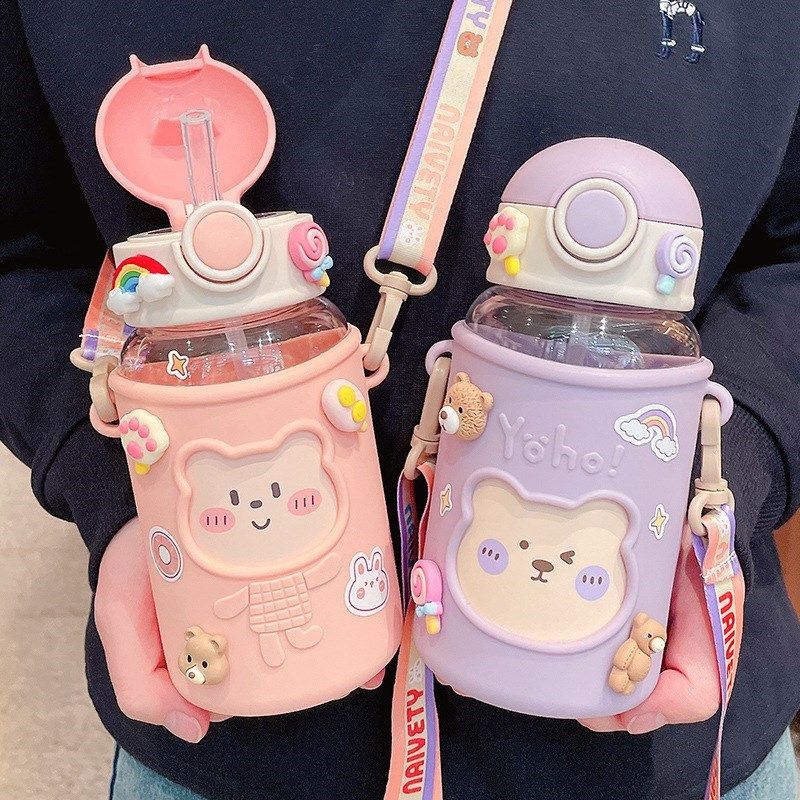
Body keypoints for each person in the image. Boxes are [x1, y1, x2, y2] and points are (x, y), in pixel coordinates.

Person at [1, 1, 799, 798]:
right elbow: (19, 257)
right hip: (235, 731)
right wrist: (119, 498)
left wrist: (719, 488)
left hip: (653, 718)